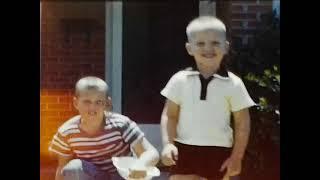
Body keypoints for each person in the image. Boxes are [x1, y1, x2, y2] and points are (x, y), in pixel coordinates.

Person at [160, 16, 256, 180]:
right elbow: (170, 115)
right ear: (189, 48)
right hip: (185, 149)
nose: (208, 48)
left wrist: (236, 157)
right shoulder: (179, 80)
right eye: (201, 43)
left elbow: (242, 123)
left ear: (225, 47)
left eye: (215, 43)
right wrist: (168, 143)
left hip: (219, 151)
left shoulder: (234, 84)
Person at [49, 76, 159, 180]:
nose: (92, 107)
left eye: (98, 102)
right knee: (72, 168)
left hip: (122, 175)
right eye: (87, 102)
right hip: (94, 175)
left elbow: (151, 152)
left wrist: (140, 164)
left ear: (107, 103)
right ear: (76, 103)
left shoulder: (121, 124)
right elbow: (62, 168)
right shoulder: (67, 132)